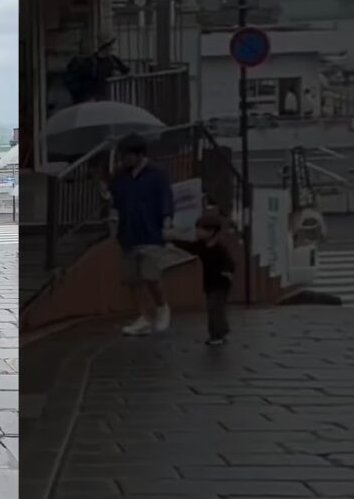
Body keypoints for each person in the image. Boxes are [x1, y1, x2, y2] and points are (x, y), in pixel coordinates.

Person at [108, 134, 174, 336]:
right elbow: (115, 202)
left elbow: (166, 200)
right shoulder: (120, 177)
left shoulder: (157, 174)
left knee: (150, 276)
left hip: (151, 232)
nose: (123, 159)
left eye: (127, 155)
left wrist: (166, 222)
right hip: (128, 233)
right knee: (132, 279)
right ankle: (143, 317)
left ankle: (162, 308)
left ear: (139, 154)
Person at [164, 213, 235, 346]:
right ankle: (222, 331)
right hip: (209, 283)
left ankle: (216, 335)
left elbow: (230, 264)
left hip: (221, 284)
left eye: (200, 229)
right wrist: (172, 241)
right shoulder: (202, 246)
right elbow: (188, 246)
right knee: (215, 308)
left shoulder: (219, 249)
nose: (197, 232)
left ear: (211, 232)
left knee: (215, 308)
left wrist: (227, 272)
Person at [66, 34, 131, 104]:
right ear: (106, 46)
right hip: (91, 96)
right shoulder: (92, 61)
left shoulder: (112, 59)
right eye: (111, 44)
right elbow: (87, 80)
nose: (113, 47)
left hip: (101, 96)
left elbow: (125, 69)